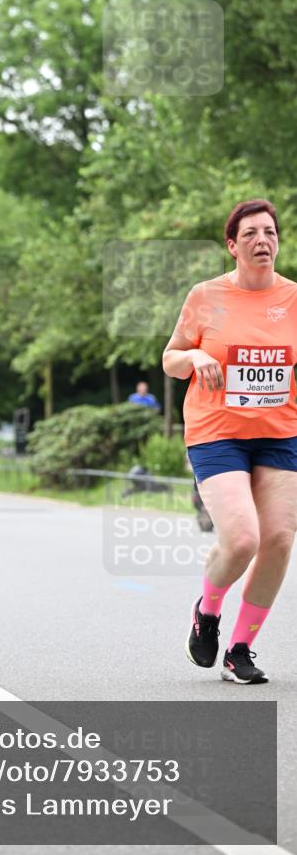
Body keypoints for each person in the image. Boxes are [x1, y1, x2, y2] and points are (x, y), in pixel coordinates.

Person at [163, 199, 297, 684]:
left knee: (279, 539)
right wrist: (196, 357)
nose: (263, 241)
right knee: (243, 538)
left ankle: (240, 650)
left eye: (270, 232)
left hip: (279, 433)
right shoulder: (206, 296)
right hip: (217, 433)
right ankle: (208, 611)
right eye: (251, 235)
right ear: (232, 246)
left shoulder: (294, 299)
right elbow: (169, 358)